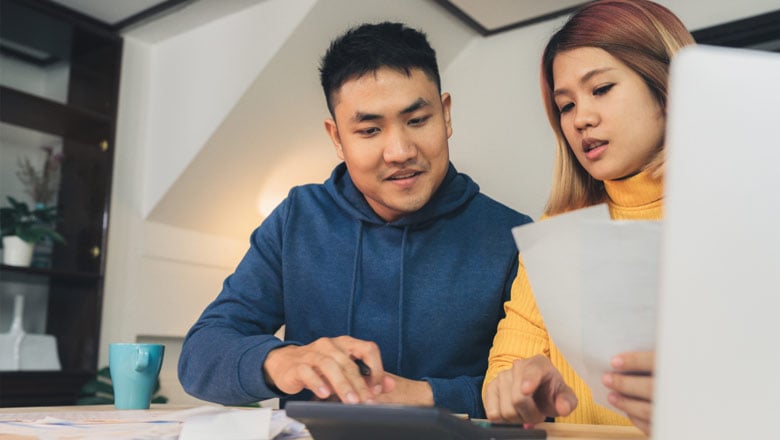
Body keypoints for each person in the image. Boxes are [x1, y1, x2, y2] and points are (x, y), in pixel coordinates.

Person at [178, 21, 532, 418]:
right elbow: (200, 354)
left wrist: (424, 395)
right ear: (336, 138)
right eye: (369, 130)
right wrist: (284, 362)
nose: (399, 150)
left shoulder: (514, 237)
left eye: (417, 121)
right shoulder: (297, 218)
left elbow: (538, 391)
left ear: (445, 115)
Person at [482, 0, 695, 435]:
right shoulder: (556, 232)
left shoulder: (747, 216)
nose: (582, 119)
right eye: (565, 105)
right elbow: (500, 377)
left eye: (600, 89)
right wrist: (519, 391)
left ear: (668, 87)